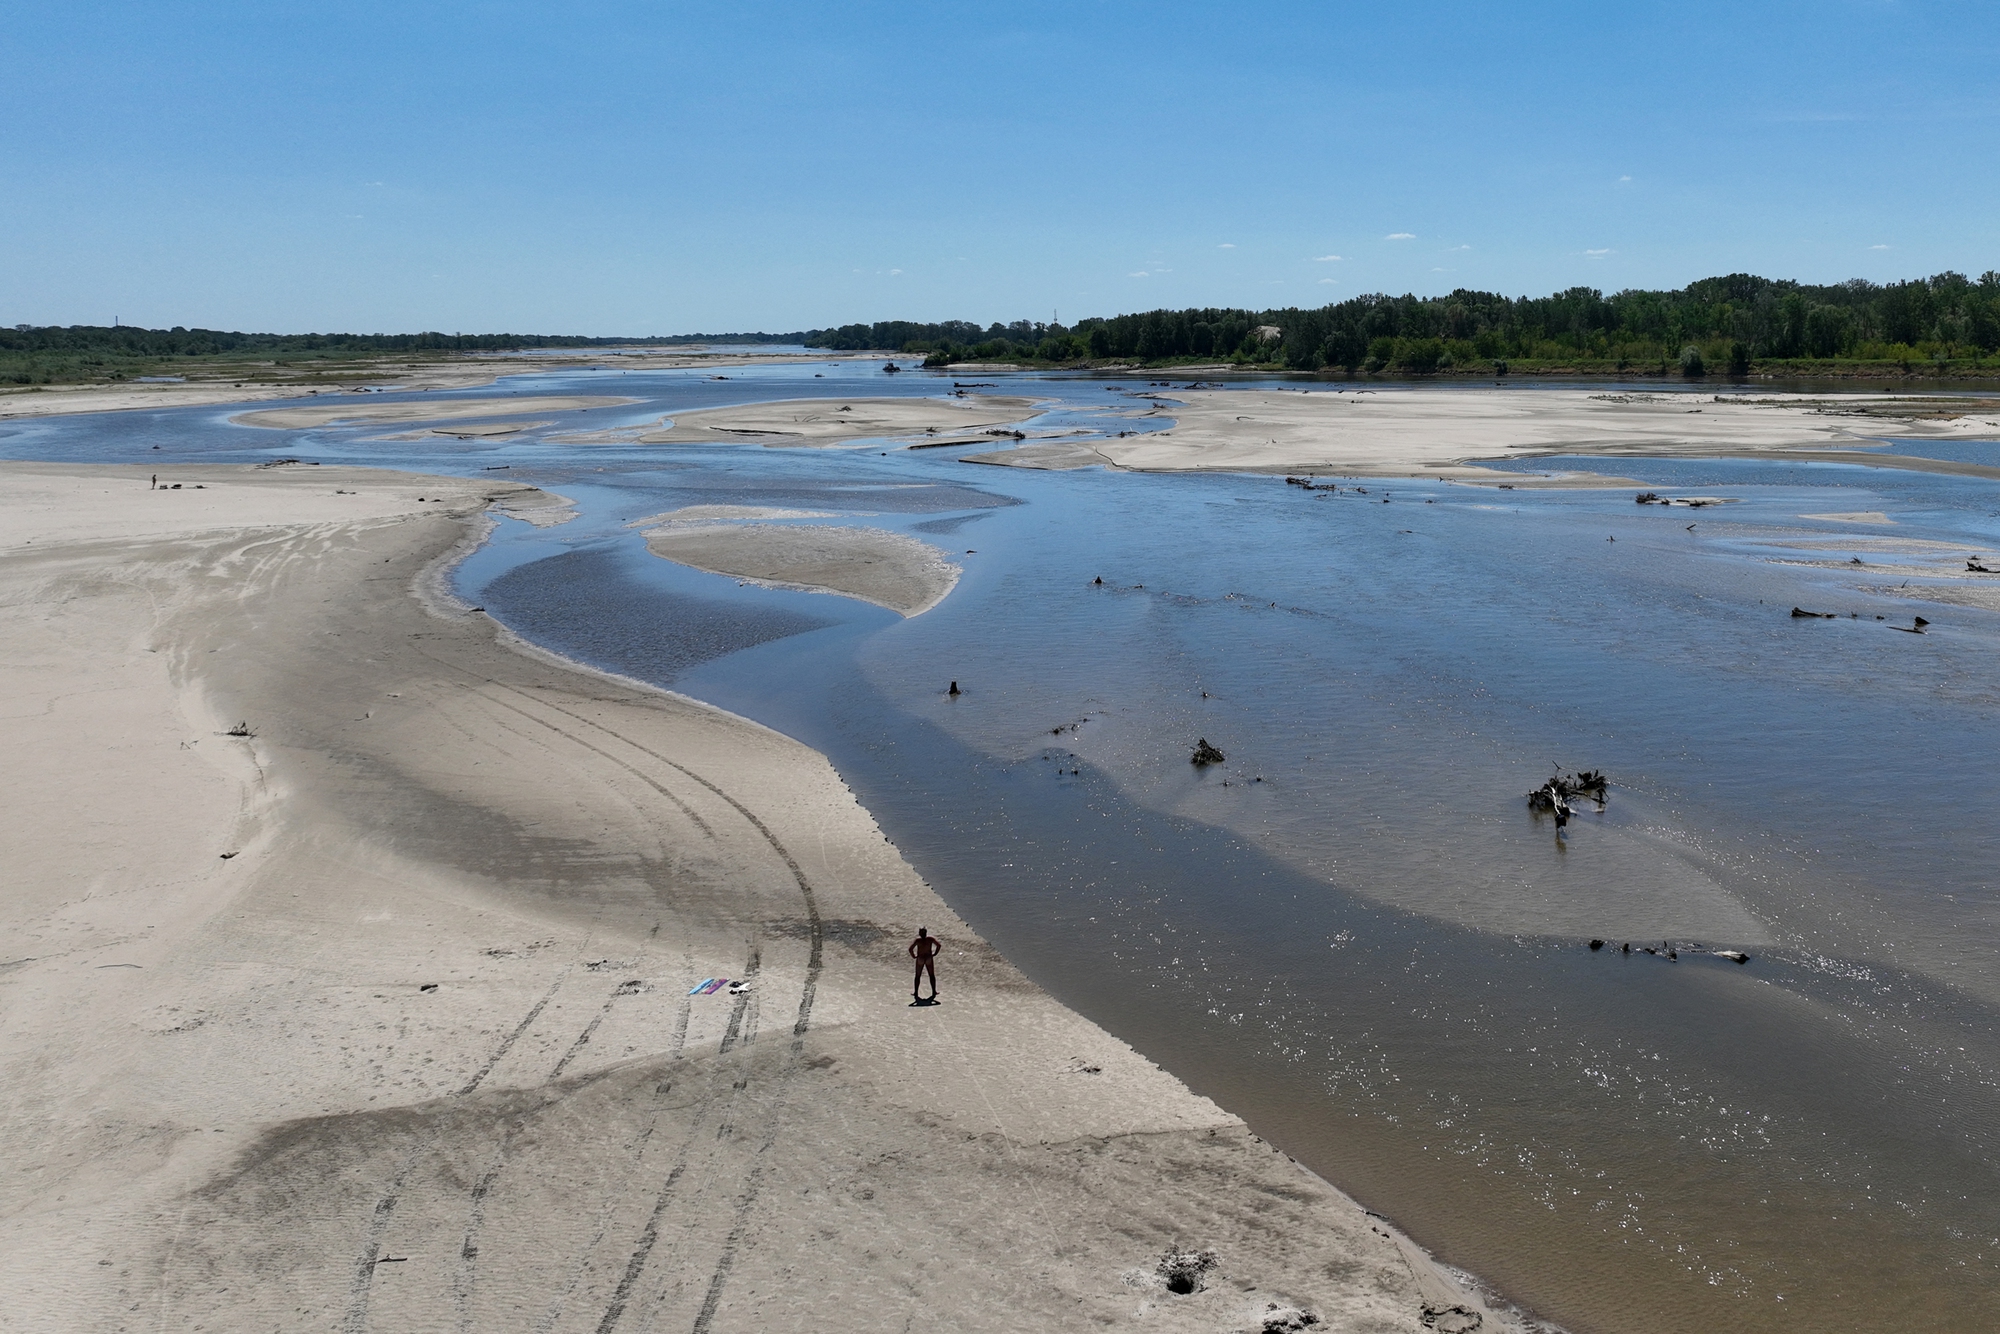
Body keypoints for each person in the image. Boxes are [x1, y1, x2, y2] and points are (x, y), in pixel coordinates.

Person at [908, 928, 941, 1002]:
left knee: (917, 976)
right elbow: (939, 945)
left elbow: (910, 949)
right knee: (931, 975)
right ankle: (934, 991)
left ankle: (916, 992)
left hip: (920, 958)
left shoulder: (918, 941)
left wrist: (913, 956)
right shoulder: (930, 939)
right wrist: (935, 953)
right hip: (928, 957)